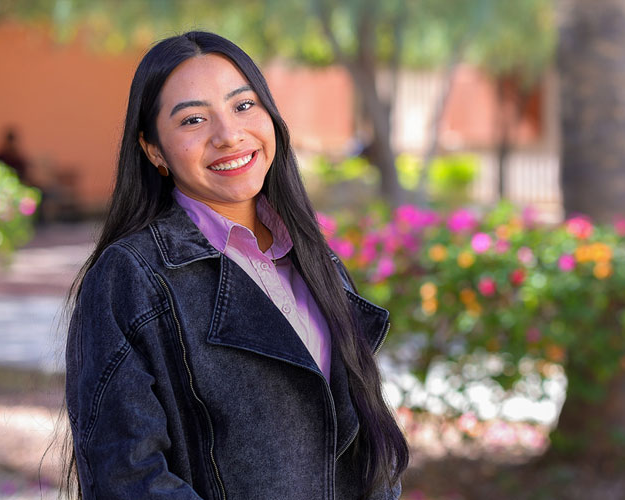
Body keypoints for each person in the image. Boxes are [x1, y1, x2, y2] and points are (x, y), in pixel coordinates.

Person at [63, 31, 408, 499]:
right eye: (193, 119)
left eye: (243, 106)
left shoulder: (312, 257)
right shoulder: (132, 276)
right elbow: (127, 477)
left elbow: (363, 441)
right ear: (154, 151)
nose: (228, 135)